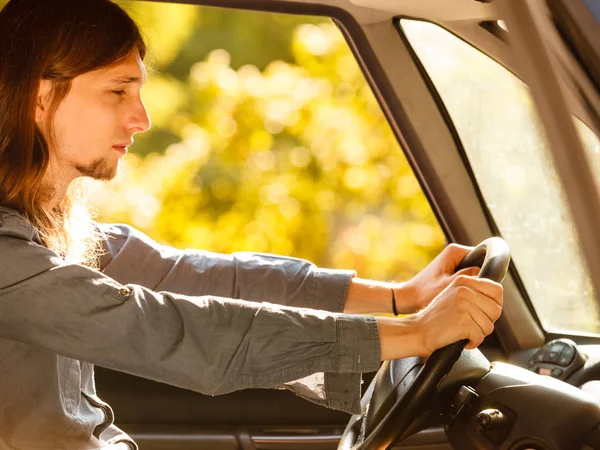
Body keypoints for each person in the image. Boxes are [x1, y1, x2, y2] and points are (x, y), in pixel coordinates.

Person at [0, 0, 503, 448]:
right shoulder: (8, 254)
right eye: (118, 91)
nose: (142, 118)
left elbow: (200, 277)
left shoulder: (52, 226)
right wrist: (414, 333)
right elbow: (170, 330)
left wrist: (401, 297)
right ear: (40, 98)